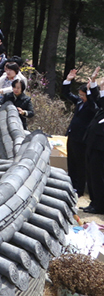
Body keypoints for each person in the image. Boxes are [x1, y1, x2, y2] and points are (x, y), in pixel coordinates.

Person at [64, 68, 100, 198]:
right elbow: (67, 94)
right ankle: (70, 184)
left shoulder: (92, 106)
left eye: (83, 95)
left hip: (82, 139)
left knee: (80, 165)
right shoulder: (79, 102)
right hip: (72, 136)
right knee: (71, 163)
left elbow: (92, 104)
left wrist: (90, 92)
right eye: (80, 95)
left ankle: (79, 189)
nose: (81, 97)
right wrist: (68, 80)